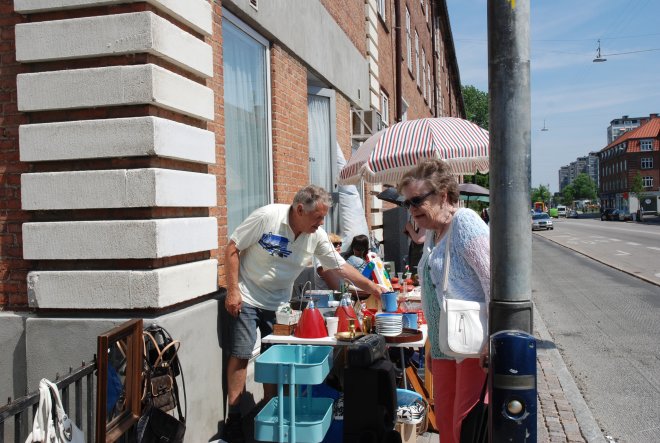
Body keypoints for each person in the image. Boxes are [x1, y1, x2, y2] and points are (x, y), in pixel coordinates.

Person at [223, 185, 385, 442]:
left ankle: (271, 410)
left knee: (275, 359)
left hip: (279, 303)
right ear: (300, 209)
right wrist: (232, 290)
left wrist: (373, 287)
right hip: (248, 295)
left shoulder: (316, 235)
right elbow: (232, 248)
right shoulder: (268, 217)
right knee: (241, 354)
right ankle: (233, 419)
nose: (321, 223)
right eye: (318, 217)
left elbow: (340, 267)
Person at [398, 159, 490, 443]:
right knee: (446, 425)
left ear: (444, 195)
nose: (412, 209)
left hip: (472, 348)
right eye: (407, 203)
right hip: (445, 346)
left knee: (465, 426)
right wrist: (432, 344)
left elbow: (495, 281)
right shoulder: (433, 233)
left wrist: (493, 340)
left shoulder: (464, 222)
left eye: (417, 200)